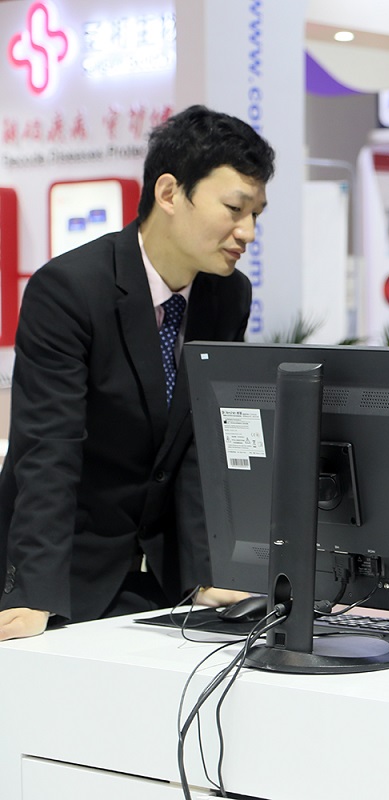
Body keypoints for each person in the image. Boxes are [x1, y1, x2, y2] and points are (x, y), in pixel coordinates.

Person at [0, 106, 273, 641]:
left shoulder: (227, 295)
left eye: (257, 214)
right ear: (169, 193)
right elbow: (48, 451)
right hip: (68, 568)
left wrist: (208, 570)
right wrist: (34, 593)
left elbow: (199, 445)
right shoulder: (70, 290)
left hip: (164, 579)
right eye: (234, 209)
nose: (248, 231)